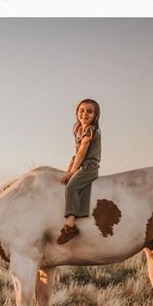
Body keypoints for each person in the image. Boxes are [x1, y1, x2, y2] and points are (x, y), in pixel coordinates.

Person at [57, 98, 101, 245]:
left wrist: (72, 173)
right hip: (81, 164)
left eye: (90, 111)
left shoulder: (90, 130)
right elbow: (76, 155)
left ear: (95, 115)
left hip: (89, 166)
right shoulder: (79, 130)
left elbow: (82, 153)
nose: (85, 114)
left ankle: (70, 226)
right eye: (82, 111)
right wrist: (69, 169)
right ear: (77, 113)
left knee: (72, 186)